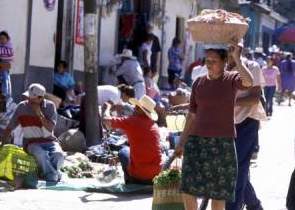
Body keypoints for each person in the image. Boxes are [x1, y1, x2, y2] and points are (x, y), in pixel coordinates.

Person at [174, 42, 253, 210]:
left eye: (214, 60)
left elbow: (248, 82)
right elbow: (191, 115)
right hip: (196, 142)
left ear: (224, 61)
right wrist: (181, 143)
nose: (209, 64)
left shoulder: (231, 79)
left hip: (222, 143)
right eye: (207, 60)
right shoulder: (198, 82)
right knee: (188, 187)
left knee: (218, 193)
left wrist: (237, 58)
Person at [226, 41, 265, 210]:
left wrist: (230, 102)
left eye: (232, 48)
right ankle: (254, 205)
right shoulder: (220, 68)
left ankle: (234, 207)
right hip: (225, 122)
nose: (228, 51)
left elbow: (255, 98)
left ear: (239, 49)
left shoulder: (252, 66)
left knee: (238, 168)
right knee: (230, 168)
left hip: (247, 122)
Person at [1, 83, 64, 182]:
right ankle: (53, 176)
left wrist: (39, 114)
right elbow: (11, 125)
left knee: (59, 155)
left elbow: (50, 129)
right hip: (31, 142)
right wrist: (3, 142)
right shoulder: (22, 106)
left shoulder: (50, 106)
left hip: (49, 141)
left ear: (40, 98)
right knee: (41, 154)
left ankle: (50, 173)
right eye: (28, 97)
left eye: (32, 98)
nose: (29, 99)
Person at [102, 95, 165, 184]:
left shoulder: (132, 121)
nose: (134, 109)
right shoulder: (153, 125)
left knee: (123, 151)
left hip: (140, 176)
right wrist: (118, 159)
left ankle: (130, 181)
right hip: (156, 175)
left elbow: (105, 120)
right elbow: (144, 148)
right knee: (127, 150)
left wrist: (107, 108)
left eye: (136, 107)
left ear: (140, 110)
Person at [0, 30, 14, 98]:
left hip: (6, 66)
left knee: (5, 78)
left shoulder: (9, 47)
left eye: (3, 38)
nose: (1, 40)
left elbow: (11, 57)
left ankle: (5, 92)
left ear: (7, 39)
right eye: (0, 38)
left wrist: (4, 62)